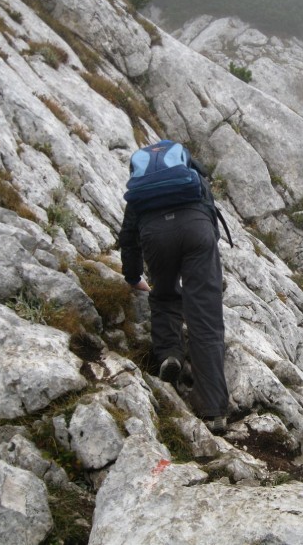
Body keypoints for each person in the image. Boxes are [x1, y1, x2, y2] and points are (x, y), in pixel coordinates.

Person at [118, 147, 229, 434]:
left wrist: (132, 276)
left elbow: (128, 236)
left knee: (165, 294)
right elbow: (209, 214)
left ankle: (170, 353)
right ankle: (214, 411)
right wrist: (206, 254)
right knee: (205, 319)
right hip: (196, 230)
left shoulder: (144, 187)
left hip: (155, 236)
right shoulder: (191, 172)